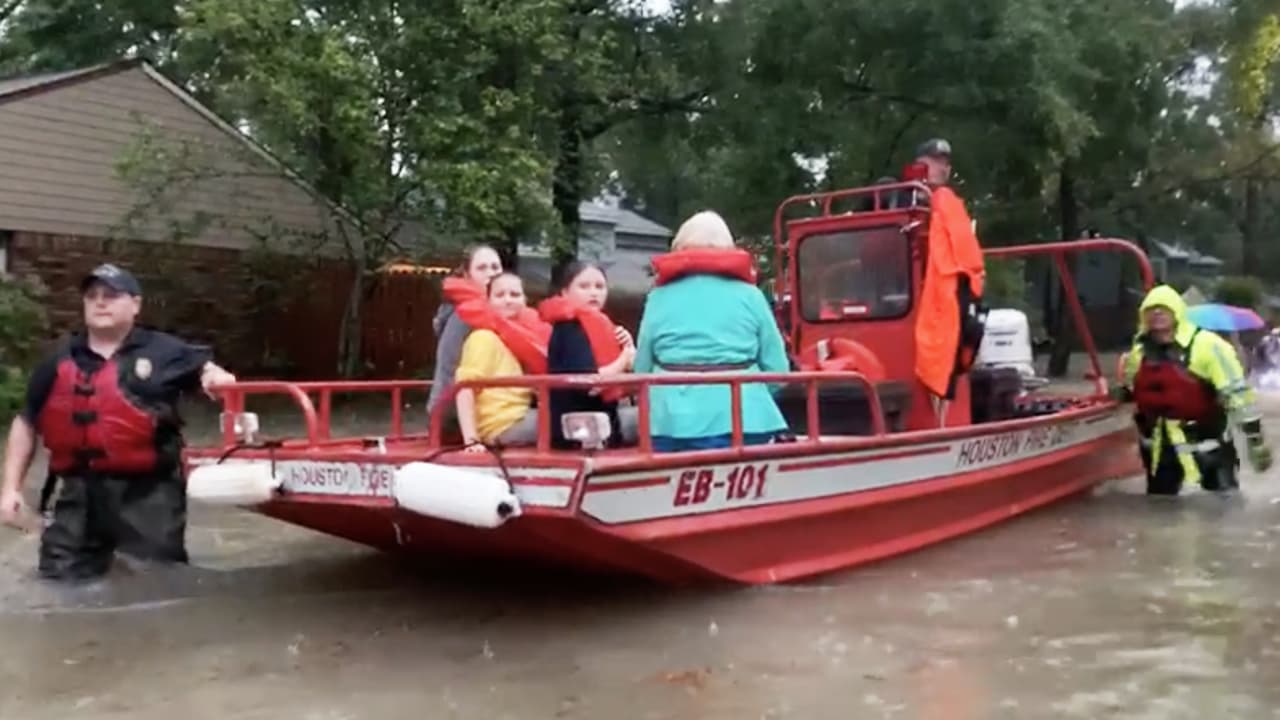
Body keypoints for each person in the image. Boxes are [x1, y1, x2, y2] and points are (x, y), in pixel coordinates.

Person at [0, 263, 237, 581]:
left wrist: (215, 376)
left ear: (135, 304)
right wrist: (11, 489)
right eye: (92, 296)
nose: (100, 302)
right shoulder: (58, 360)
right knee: (57, 583)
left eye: (111, 295)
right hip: (78, 493)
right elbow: (27, 422)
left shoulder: (165, 351)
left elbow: (208, 371)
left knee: (155, 583)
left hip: (147, 494)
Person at [634, 210, 791, 452]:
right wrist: (754, 391)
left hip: (670, 420)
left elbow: (641, 367)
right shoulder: (751, 295)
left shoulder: (659, 297)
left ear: (679, 248)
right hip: (746, 416)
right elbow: (778, 370)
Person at [1117, 284, 1272, 495]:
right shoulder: (1139, 352)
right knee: (1162, 514)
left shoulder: (1209, 347)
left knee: (1219, 513)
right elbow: (1130, 390)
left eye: (1165, 308)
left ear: (1178, 312)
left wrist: (1256, 440)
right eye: (1151, 309)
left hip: (1209, 455)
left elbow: (1238, 396)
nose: (1158, 313)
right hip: (1160, 458)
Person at [910, 138, 987, 419]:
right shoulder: (905, 199)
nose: (942, 167)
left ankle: (944, 420)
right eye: (935, 161)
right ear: (921, 163)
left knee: (963, 339)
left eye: (945, 162)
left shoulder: (946, 204)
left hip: (951, 294)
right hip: (929, 298)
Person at [538, 261, 640, 449]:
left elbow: (625, 383)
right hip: (576, 432)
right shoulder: (569, 328)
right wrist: (624, 359)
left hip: (601, 423)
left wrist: (629, 351)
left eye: (599, 286)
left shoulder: (603, 327)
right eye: (584, 286)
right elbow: (590, 383)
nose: (594, 292)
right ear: (564, 292)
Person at [454, 272, 551, 451]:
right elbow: (465, 389)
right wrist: (472, 441)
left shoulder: (519, 339)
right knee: (572, 420)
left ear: (525, 300)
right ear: (488, 301)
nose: (508, 300)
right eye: (500, 295)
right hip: (502, 424)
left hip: (522, 416)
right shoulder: (483, 338)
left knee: (574, 418)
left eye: (515, 295)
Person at [426, 245, 503, 424]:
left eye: (495, 267)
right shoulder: (465, 314)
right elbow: (450, 365)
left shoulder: (497, 310)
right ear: (467, 275)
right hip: (453, 411)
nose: (490, 273)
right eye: (482, 268)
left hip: (485, 403)